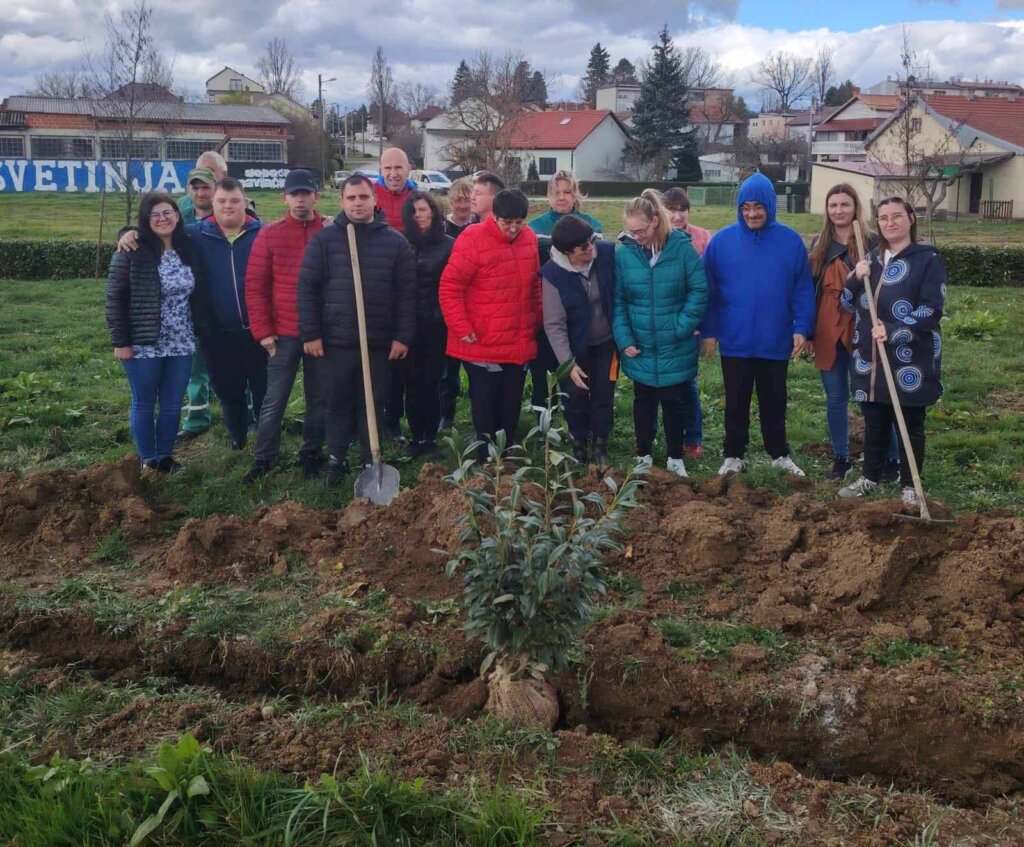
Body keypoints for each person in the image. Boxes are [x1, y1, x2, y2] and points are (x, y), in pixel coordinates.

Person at [298, 174, 417, 486]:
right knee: (336, 401)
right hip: (336, 340)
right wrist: (311, 333)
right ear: (341, 202)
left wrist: (402, 336)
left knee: (373, 401)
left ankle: (370, 458)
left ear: (374, 200)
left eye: (363, 197)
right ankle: (336, 458)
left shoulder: (394, 242)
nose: (358, 203)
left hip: (378, 340)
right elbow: (307, 289)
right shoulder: (324, 241)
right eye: (351, 198)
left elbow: (407, 293)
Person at [702, 172, 815, 478]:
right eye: (746, 207)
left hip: (774, 339)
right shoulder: (721, 242)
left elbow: (803, 288)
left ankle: (778, 453)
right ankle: (734, 454)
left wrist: (802, 327)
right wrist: (710, 330)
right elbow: (708, 289)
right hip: (735, 338)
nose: (752, 213)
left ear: (770, 206)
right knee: (735, 400)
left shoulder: (790, 242)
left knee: (774, 399)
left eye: (758, 207)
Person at [838, 197, 945, 507]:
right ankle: (870, 477)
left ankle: (911, 484)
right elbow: (845, 304)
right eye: (884, 218)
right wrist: (854, 278)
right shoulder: (871, 260)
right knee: (875, 421)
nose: (890, 223)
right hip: (869, 360)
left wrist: (895, 329)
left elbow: (932, 309)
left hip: (910, 360)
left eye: (897, 216)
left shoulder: (927, 259)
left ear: (911, 218)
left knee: (910, 422)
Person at [105, 193, 208, 473]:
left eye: (168, 213)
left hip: (181, 340)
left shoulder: (188, 249)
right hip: (143, 341)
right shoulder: (132, 251)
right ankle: (147, 458)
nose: (163, 219)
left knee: (173, 403)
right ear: (145, 221)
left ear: (177, 215)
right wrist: (121, 342)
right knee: (144, 401)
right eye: (155, 215)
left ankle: (164, 457)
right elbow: (115, 298)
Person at [241, 169, 329, 483]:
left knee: (318, 397)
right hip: (284, 334)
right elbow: (255, 285)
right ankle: (264, 458)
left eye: (306, 193)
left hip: (319, 333)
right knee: (274, 399)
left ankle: (311, 453)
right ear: (285, 198)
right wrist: (263, 331)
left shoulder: (330, 231)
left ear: (316, 196)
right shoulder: (270, 234)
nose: (300, 199)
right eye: (295, 194)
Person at [806, 183, 898, 482]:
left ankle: (891, 459)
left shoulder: (873, 242)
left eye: (844, 205)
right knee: (835, 396)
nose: (838, 211)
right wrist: (808, 331)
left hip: (863, 322)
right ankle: (841, 456)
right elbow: (810, 290)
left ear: (855, 206)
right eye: (833, 205)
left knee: (873, 395)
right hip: (827, 323)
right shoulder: (819, 245)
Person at [439, 188, 540, 457]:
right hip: (482, 339)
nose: (513, 229)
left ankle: (505, 455)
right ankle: (484, 456)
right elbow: (450, 287)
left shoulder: (528, 238)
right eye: (507, 223)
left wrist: (536, 321)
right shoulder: (473, 238)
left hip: (517, 338)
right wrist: (461, 327)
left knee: (511, 401)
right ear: (494, 216)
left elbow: (534, 286)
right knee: (485, 402)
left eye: (519, 222)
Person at [612, 190, 707, 478]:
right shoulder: (625, 254)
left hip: (674, 343)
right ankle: (643, 454)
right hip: (639, 344)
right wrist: (624, 338)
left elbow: (699, 289)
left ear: (655, 222)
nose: (635, 236)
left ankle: (675, 456)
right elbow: (617, 301)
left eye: (640, 231)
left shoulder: (682, 249)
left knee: (674, 401)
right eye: (630, 231)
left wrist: (682, 326)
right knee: (643, 401)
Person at [192, 177, 267, 451]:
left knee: (264, 390)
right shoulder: (196, 235)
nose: (228, 207)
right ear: (212, 203)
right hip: (217, 333)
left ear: (244, 203)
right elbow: (158, 232)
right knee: (228, 391)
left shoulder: (263, 233)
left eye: (235, 201)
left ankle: (266, 438)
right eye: (222, 201)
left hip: (259, 331)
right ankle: (238, 438)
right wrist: (128, 232)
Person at [542, 215, 616, 468]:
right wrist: (568, 363)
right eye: (583, 246)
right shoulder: (553, 274)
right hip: (574, 348)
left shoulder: (606, 255)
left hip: (606, 342)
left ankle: (600, 444)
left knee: (604, 392)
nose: (590, 249)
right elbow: (554, 324)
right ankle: (578, 443)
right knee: (575, 396)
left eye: (591, 241)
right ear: (566, 252)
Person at [527, 169, 603, 416]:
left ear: (575, 194)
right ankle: (544, 421)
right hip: (547, 307)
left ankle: (580, 419)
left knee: (580, 370)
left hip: (583, 312)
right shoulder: (534, 228)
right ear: (549, 196)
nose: (562, 197)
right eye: (556, 192)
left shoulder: (592, 225)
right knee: (543, 369)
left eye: (567, 192)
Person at [438, 171, 506, 432]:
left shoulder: (488, 228)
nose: (465, 204)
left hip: (484, 315)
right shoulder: (450, 230)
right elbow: (450, 282)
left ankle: (492, 423)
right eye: (461, 200)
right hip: (457, 312)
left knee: (483, 375)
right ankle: (447, 413)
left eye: (472, 197)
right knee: (449, 370)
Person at [400, 191, 455, 457]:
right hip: (408, 324)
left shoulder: (448, 244)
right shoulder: (401, 243)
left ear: (433, 212)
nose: (419, 216)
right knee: (411, 382)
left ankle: (431, 437)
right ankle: (415, 436)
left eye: (423, 210)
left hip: (436, 323)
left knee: (431, 381)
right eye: (414, 211)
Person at [663, 186, 712, 460]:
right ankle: (665, 433)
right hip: (663, 322)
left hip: (692, 323)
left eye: (682, 210)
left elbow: (708, 285)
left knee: (688, 383)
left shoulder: (704, 238)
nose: (678, 216)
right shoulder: (658, 238)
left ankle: (692, 437)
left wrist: (703, 325)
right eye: (672, 210)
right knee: (661, 384)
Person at [375, 146, 416, 232]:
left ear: (408, 169)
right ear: (381, 170)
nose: (393, 174)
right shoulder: (368, 195)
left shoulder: (418, 199)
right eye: (388, 168)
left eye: (398, 167)